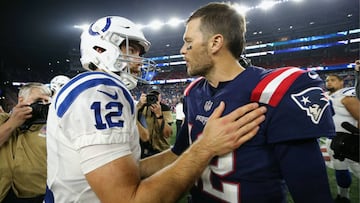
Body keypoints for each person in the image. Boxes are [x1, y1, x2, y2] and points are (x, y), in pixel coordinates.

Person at [44, 15, 266, 203]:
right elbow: (127, 200)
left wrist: (183, 151)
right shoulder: (101, 89)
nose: (139, 62)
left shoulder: (89, 87)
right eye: (132, 50)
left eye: (140, 54)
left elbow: (127, 170)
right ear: (102, 48)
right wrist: (205, 147)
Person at [141, 3, 336, 203]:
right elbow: (178, 154)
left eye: (188, 42)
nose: (182, 50)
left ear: (215, 43)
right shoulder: (194, 92)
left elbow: (313, 195)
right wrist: (128, 169)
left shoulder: (272, 92)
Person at [0, 82, 51, 203]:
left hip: (39, 196)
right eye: (38, 100)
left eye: (46, 101)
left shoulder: (52, 127)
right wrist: (12, 123)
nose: (42, 105)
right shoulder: (3, 120)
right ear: (21, 100)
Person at [323, 73, 360, 203]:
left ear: (341, 82)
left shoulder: (347, 96)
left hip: (350, 141)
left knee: (357, 168)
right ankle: (343, 197)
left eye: (332, 80)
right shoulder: (328, 97)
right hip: (334, 141)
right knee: (340, 170)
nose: (329, 82)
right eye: (327, 80)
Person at [137, 89, 173, 157]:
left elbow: (167, 134)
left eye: (155, 97)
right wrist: (139, 105)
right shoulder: (142, 108)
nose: (153, 100)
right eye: (150, 97)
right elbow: (133, 121)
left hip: (161, 150)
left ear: (160, 98)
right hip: (144, 150)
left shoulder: (164, 108)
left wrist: (159, 115)